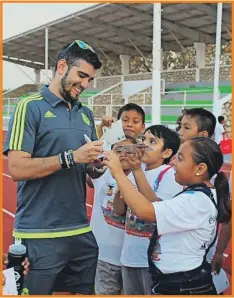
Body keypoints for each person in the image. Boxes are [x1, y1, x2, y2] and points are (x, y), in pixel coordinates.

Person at [3, 40, 104, 295]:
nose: (85, 85)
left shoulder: (86, 114)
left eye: (90, 79)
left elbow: (86, 167)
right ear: (62, 66)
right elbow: (16, 168)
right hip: (39, 233)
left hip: (81, 230)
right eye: (81, 76)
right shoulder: (30, 106)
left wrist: (97, 167)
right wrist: (71, 158)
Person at [104, 137, 231, 295]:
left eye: (180, 158)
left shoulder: (196, 201)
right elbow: (155, 203)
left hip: (183, 285)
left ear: (200, 169)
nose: (173, 163)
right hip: (178, 281)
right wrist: (137, 169)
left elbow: (145, 211)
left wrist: (118, 173)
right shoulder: (198, 195)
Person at [114, 125, 183, 295]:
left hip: (152, 261)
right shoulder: (135, 171)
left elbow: (157, 210)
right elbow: (118, 210)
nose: (143, 145)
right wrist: (121, 185)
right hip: (129, 255)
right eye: (143, 139)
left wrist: (136, 171)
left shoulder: (168, 175)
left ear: (166, 153)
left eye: (152, 141)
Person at [87, 104, 146, 295]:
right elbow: (91, 169)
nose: (129, 125)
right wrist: (101, 131)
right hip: (104, 255)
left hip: (136, 257)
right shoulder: (104, 170)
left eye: (135, 121)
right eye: (125, 120)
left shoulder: (144, 173)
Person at [179, 108, 232, 291]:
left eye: (186, 127)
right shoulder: (178, 169)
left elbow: (227, 219)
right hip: (180, 254)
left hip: (200, 258)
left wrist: (219, 252)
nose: (180, 132)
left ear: (202, 134)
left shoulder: (214, 179)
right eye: (180, 126)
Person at [89, 136, 138, 295]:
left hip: (132, 260)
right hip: (103, 256)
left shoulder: (142, 178)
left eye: (129, 151)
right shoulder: (103, 174)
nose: (123, 154)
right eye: (118, 150)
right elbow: (90, 166)